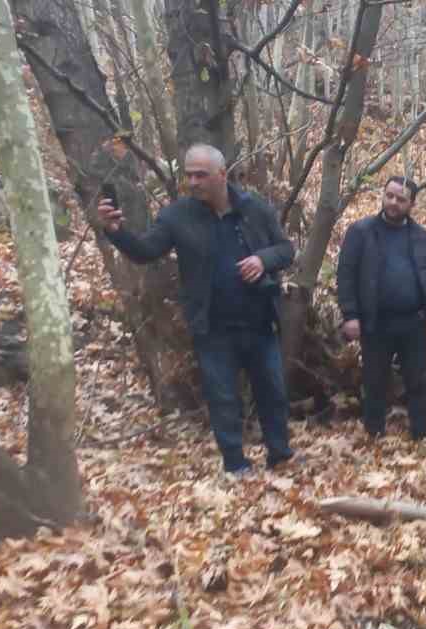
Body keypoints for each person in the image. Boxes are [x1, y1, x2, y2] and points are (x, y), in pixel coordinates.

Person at [96, 144, 295, 474]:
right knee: (223, 399)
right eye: (188, 174)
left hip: (259, 322)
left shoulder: (255, 208)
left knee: (272, 393)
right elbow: (145, 252)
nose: (193, 181)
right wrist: (116, 232)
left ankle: (280, 455)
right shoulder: (177, 216)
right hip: (212, 327)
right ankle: (235, 464)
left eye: (201, 175)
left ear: (222, 174)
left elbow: (286, 249)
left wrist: (263, 260)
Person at [336, 176, 426, 440]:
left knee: (417, 381)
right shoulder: (361, 232)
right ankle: (374, 432)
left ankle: (421, 433)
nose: (393, 202)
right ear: (383, 196)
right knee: (374, 380)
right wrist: (350, 315)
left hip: (413, 322)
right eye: (390, 196)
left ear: (412, 204)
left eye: (401, 199)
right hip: (376, 321)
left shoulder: (422, 237)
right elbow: (346, 275)